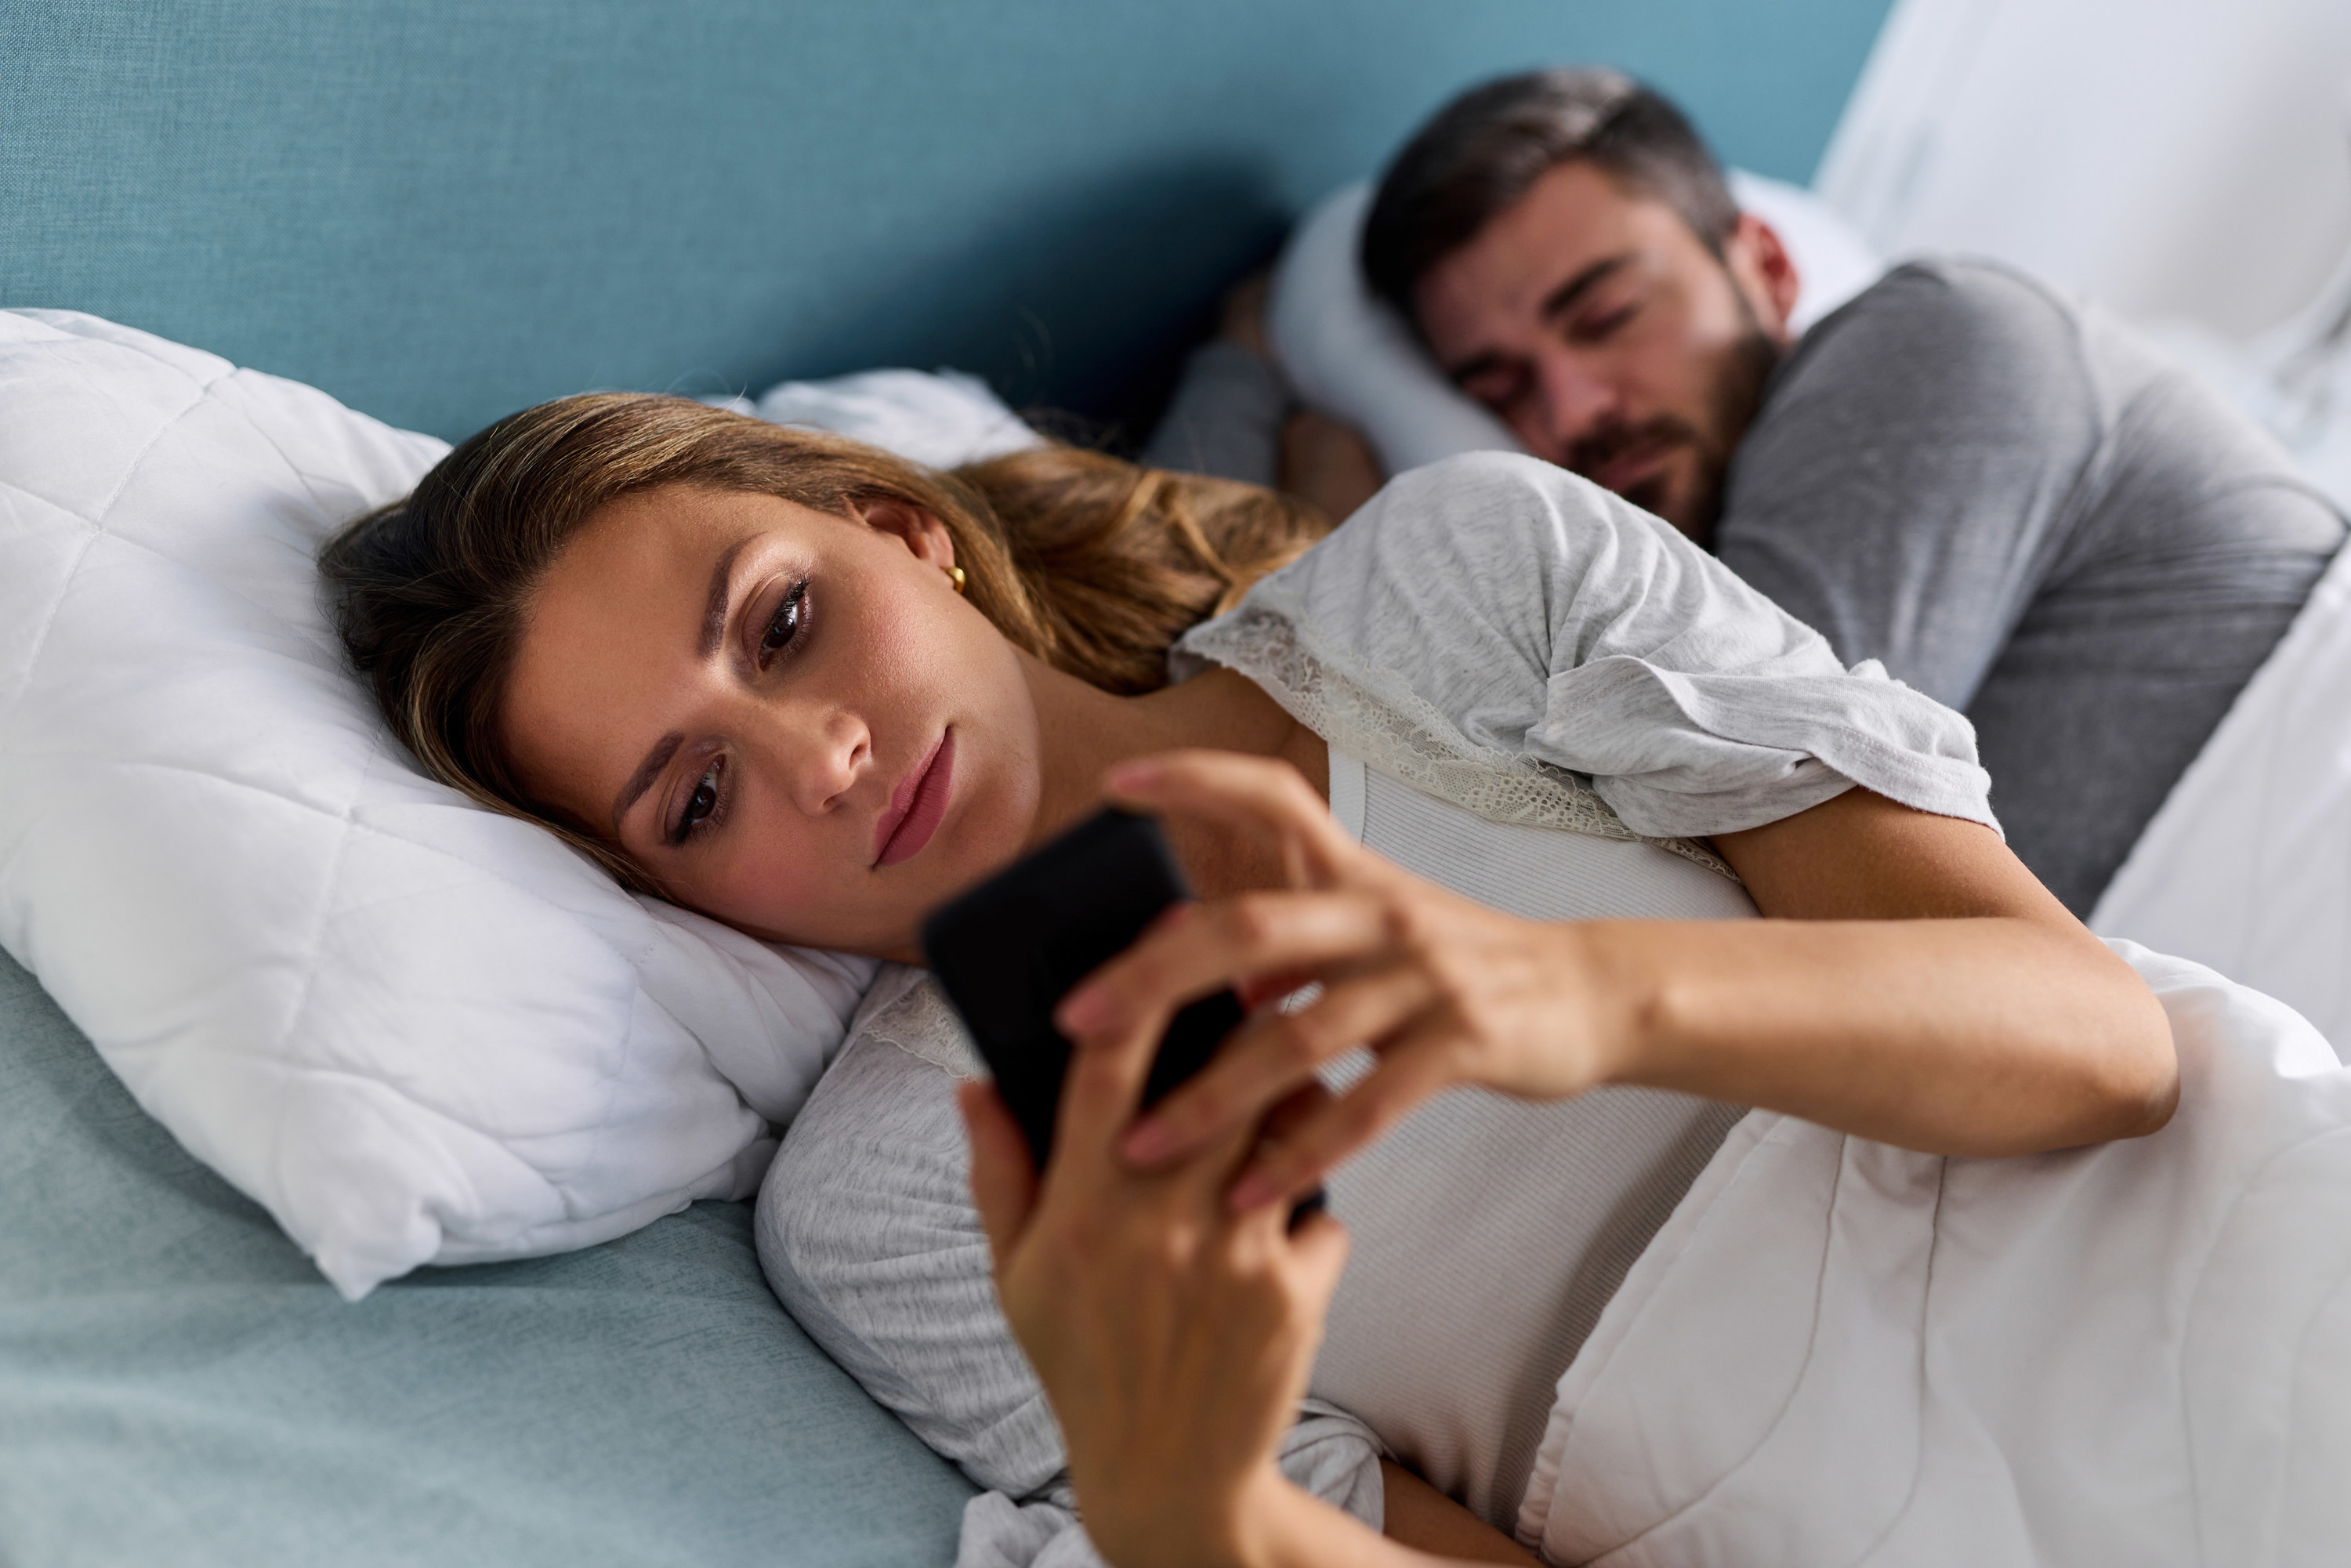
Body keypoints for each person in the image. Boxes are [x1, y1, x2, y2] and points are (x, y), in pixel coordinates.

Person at [323, 392, 2174, 1559]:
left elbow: (2102, 1046)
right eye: (701, 794)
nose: (824, 760)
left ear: (902, 527)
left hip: (2193, 1274)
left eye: (786, 622)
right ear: (681, 900)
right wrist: (1194, 1514)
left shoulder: (1463, 580)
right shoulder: (910, 1195)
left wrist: (1575, 990)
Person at [1147, 67, 2346, 918]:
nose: (1570, 412)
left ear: (1765, 266)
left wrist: (1330, 516)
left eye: (1609, 316)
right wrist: (1246, 375)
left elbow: (1682, 879)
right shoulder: (1672, 592)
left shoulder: (1932, 339)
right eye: (1500, 386)